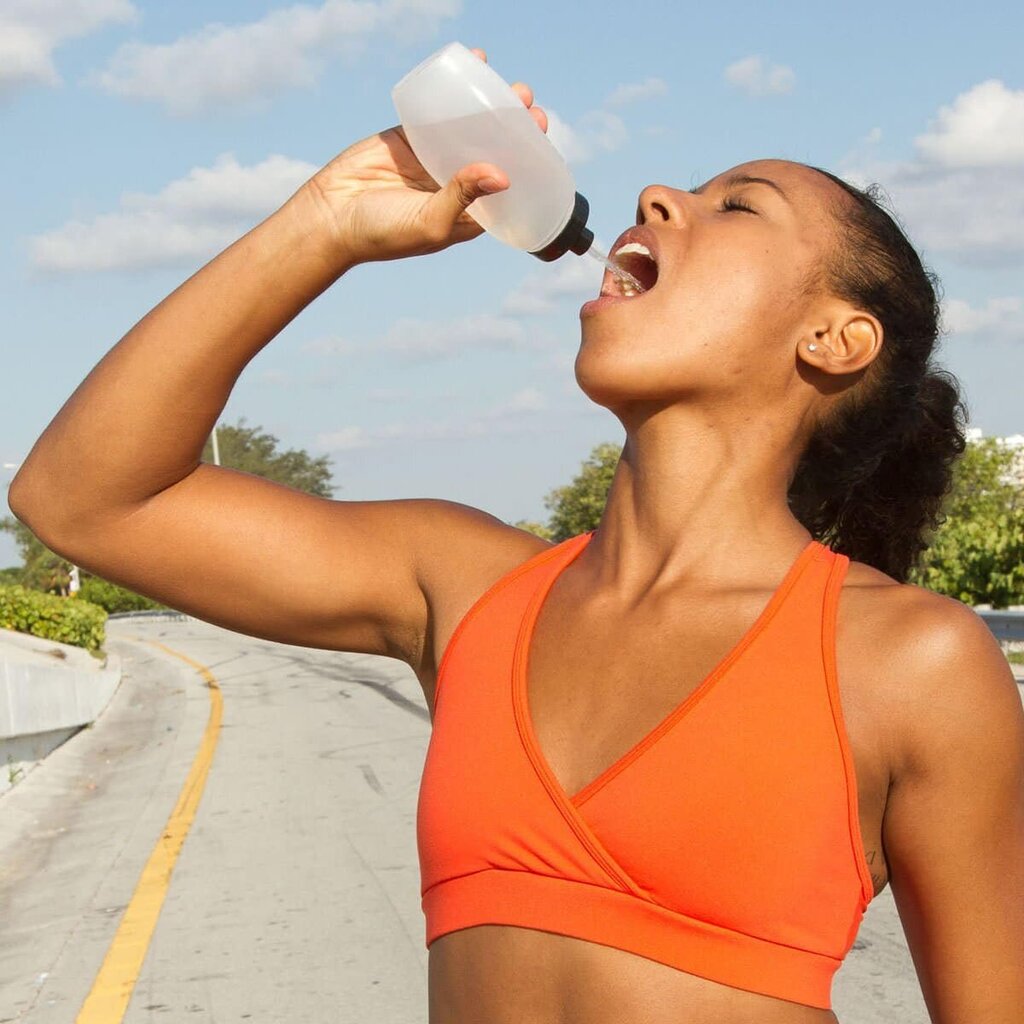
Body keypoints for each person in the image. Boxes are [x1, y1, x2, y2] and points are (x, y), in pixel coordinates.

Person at [9, 51, 1023, 1024]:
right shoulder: (469, 587)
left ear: (835, 339)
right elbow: (81, 500)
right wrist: (324, 223)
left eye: (737, 205)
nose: (658, 194)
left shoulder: (909, 662)